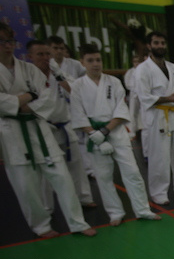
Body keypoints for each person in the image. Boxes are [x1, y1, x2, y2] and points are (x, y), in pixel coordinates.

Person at [0, 23, 95, 237]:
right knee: (26, 186)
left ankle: (78, 223)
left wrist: (19, 103)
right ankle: (41, 226)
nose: (7, 45)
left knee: (62, 177)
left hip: (39, 128)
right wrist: (27, 97)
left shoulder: (29, 70)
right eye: (2, 41)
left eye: (9, 41)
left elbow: (46, 99)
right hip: (11, 133)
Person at [71, 44, 161, 226]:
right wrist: (95, 134)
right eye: (90, 60)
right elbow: (78, 115)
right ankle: (115, 212)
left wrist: (105, 131)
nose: (95, 64)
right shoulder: (78, 86)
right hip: (94, 136)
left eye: (98, 60)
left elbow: (121, 109)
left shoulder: (113, 82)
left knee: (132, 172)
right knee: (103, 176)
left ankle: (142, 209)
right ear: (82, 62)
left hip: (115, 131)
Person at [26, 39, 96, 209]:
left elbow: (74, 91)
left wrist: (58, 76)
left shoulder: (59, 73)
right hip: (43, 127)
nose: (45, 57)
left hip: (64, 125)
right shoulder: (27, 75)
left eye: (47, 54)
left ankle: (84, 198)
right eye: (40, 54)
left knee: (76, 165)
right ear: (30, 56)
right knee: (47, 168)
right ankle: (47, 206)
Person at [135, 31, 174, 205]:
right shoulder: (143, 69)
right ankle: (158, 192)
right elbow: (144, 96)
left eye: (162, 43)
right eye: (156, 43)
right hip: (158, 116)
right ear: (149, 45)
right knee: (159, 156)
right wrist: (168, 99)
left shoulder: (172, 67)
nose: (160, 46)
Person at [124, 54, 145, 147]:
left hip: (143, 94)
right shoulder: (130, 72)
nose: (136, 63)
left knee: (144, 112)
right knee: (133, 113)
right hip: (133, 94)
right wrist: (135, 89)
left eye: (138, 61)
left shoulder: (144, 71)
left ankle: (143, 128)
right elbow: (127, 84)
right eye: (135, 62)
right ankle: (132, 131)